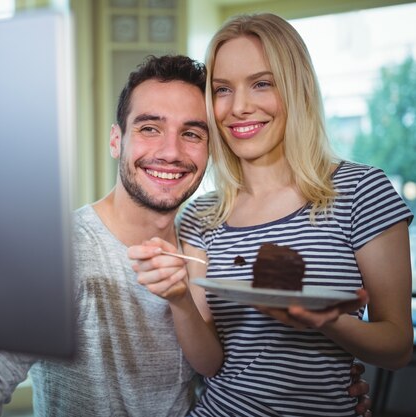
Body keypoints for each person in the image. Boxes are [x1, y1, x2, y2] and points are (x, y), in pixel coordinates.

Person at [0, 54, 371, 417]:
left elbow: (222, 367)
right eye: (149, 127)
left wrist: (329, 391)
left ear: (210, 153)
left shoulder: (206, 241)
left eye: (192, 134)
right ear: (117, 140)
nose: (170, 151)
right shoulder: (59, 249)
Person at [129, 13, 413, 417]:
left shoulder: (360, 191)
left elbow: (398, 347)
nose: (239, 107)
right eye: (222, 89)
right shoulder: (201, 216)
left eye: (261, 84)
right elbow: (210, 363)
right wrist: (180, 300)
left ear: (296, 89)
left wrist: (327, 322)